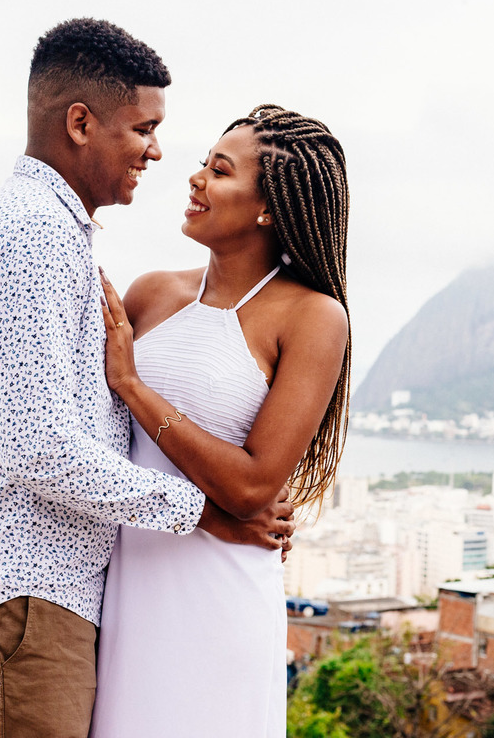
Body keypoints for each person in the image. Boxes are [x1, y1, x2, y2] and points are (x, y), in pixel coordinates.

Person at [0, 20, 294, 738]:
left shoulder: (50, 231)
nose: (156, 151)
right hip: (14, 597)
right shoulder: (35, 236)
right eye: (144, 128)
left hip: (30, 600)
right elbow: (41, 446)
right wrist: (208, 516)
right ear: (81, 123)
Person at [91, 105, 351, 736]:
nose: (196, 179)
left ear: (269, 207)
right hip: (125, 587)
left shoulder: (312, 317)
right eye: (204, 163)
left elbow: (252, 487)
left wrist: (131, 385)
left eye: (221, 170)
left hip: (220, 594)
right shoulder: (151, 293)